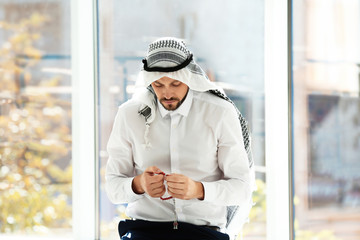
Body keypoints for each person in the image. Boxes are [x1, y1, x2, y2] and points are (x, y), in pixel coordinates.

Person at [105, 37, 255, 240]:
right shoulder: (129, 114)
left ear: (189, 77)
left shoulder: (219, 112)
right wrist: (139, 184)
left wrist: (199, 190)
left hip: (203, 233)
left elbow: (241, 189)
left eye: (175, 83)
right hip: (144, 231)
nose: (167, 93)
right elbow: (113, 188)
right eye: (158, 85)